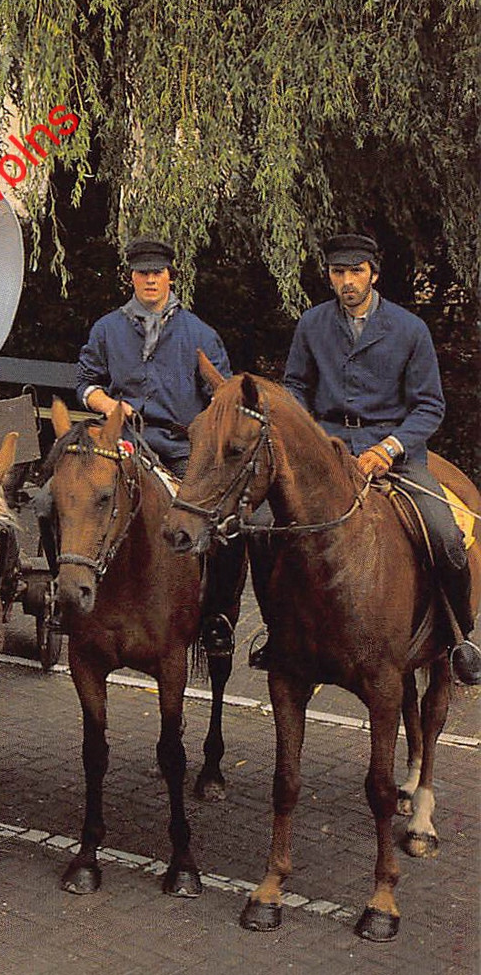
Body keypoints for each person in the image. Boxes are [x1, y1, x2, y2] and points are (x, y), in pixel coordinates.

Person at [283, 232, 480, 683]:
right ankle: (279, 634)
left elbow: (429, 405)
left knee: (446, 535)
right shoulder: (312, 324)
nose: (347, 281)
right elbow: (295, 386)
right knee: (261, 524)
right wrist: (309, 434)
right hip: (327, 448)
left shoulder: (410, 329)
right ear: (329, 276)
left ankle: (457, 637)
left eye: (356, 271)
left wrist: (388, 448)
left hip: (395, 449)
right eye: (338, 272)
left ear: (374, 273)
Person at [74, 236, 242, 655]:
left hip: (183, 449)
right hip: (125, 443)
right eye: (143, 273)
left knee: (228, 527)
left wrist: (205, 431)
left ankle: (217, 615)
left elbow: (224, 399)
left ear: (170, 275)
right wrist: (109, 405)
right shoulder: (107, 329)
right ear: (131, 276)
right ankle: (69, 599)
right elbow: (85, 384)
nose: (150, 280)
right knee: (56, 501)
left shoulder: (200, 333)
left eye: (158, 272)